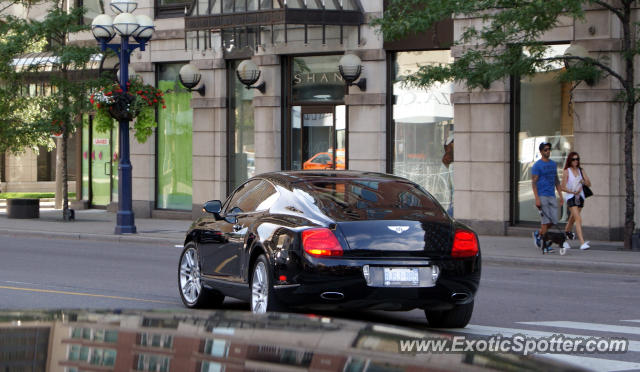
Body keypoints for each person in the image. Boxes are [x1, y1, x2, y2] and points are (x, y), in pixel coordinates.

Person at [532, 142, 564, 252]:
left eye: (549, 149)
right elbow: (534, 183)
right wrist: (537, 199)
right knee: (545, 221)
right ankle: (545, 245)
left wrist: (560, 195)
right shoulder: (537, 166)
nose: (548, 151)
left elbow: (556, 180)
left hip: (551, 195)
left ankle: (539, 234)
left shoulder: (553, 164)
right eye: (545, 150)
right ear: (541, 152)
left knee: (554, 220)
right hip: (542, 195)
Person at [562, 151, 592, 250]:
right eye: (573, 159)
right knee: (578, 218)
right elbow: (562, 187)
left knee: (572, 219)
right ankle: (582, 242)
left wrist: (583, 181)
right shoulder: (567, 171)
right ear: (570, 160)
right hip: (571, 197)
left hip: (580, 197)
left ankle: (563, 240)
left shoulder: (581, 170)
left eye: (577, 159)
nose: (576, 161)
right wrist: (572, 191)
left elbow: (589, 183)